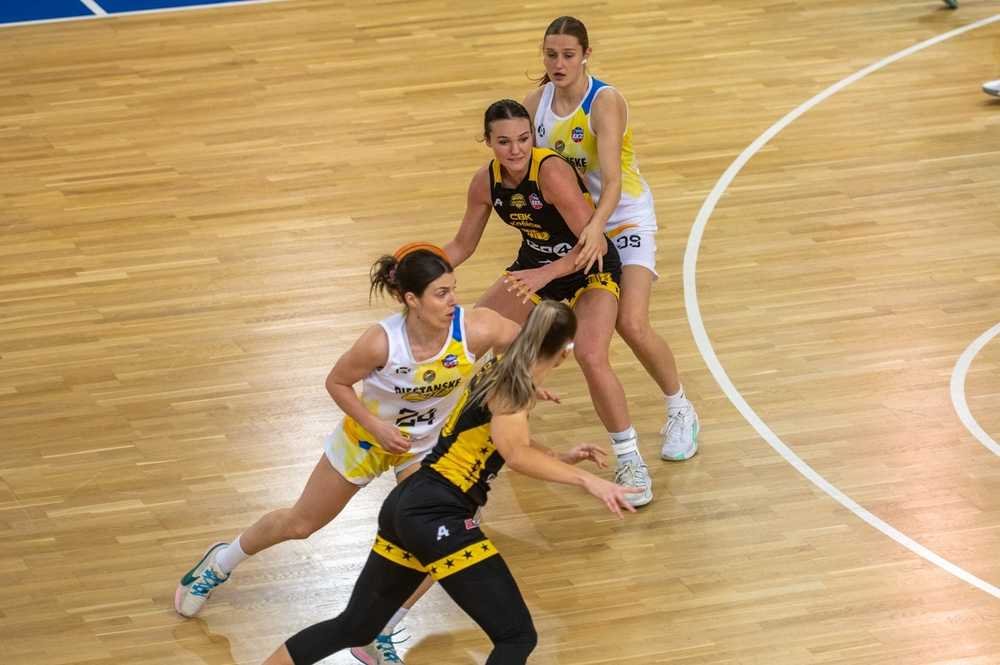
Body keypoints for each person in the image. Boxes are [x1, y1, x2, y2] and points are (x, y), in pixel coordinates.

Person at [174, 243, 521, 665]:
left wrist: (513, 384)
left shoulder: (476, 328)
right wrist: (377, 426)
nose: (453, 301)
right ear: (411, 299)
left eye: (453, 290)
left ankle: (381, 630)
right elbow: (337, 382)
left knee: (437, 537)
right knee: (301, 523)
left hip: (425, 449)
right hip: (365, 440)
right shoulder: (380, 342)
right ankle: (219, 563)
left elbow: (522, 348)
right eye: (441, 293)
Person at [260, 301, 641, 665]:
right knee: (516, 637)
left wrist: (559, 457)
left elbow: (506, 440)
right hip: (438, 514)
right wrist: (589, 482)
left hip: (408, 503)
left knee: (354, 627)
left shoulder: (500, 370)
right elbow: (516, 454)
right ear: (565, 352)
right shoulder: (516, 387)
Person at [444, 99, 654, 506]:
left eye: (524, 139)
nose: (516, 150)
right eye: (504, 142)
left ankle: (630, 458)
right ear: (488, 142)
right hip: (537, 265)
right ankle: (464, 432)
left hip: (588, 265)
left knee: (591, 354)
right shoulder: (485, 182)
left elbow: (593, 242)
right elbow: (461, 245)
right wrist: (417, 268)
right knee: (473, 333)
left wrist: (545, 275)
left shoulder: (551, 172)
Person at [522, 16, 701, 463]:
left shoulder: (604, 102)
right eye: (551, 55)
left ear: (586, 55)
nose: (559, 63)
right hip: (577, 224)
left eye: (568, 55)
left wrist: (595, 227)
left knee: (632, 323)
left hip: (623, 219)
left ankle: (680, 408)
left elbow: (615, 182)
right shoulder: (535, 104)